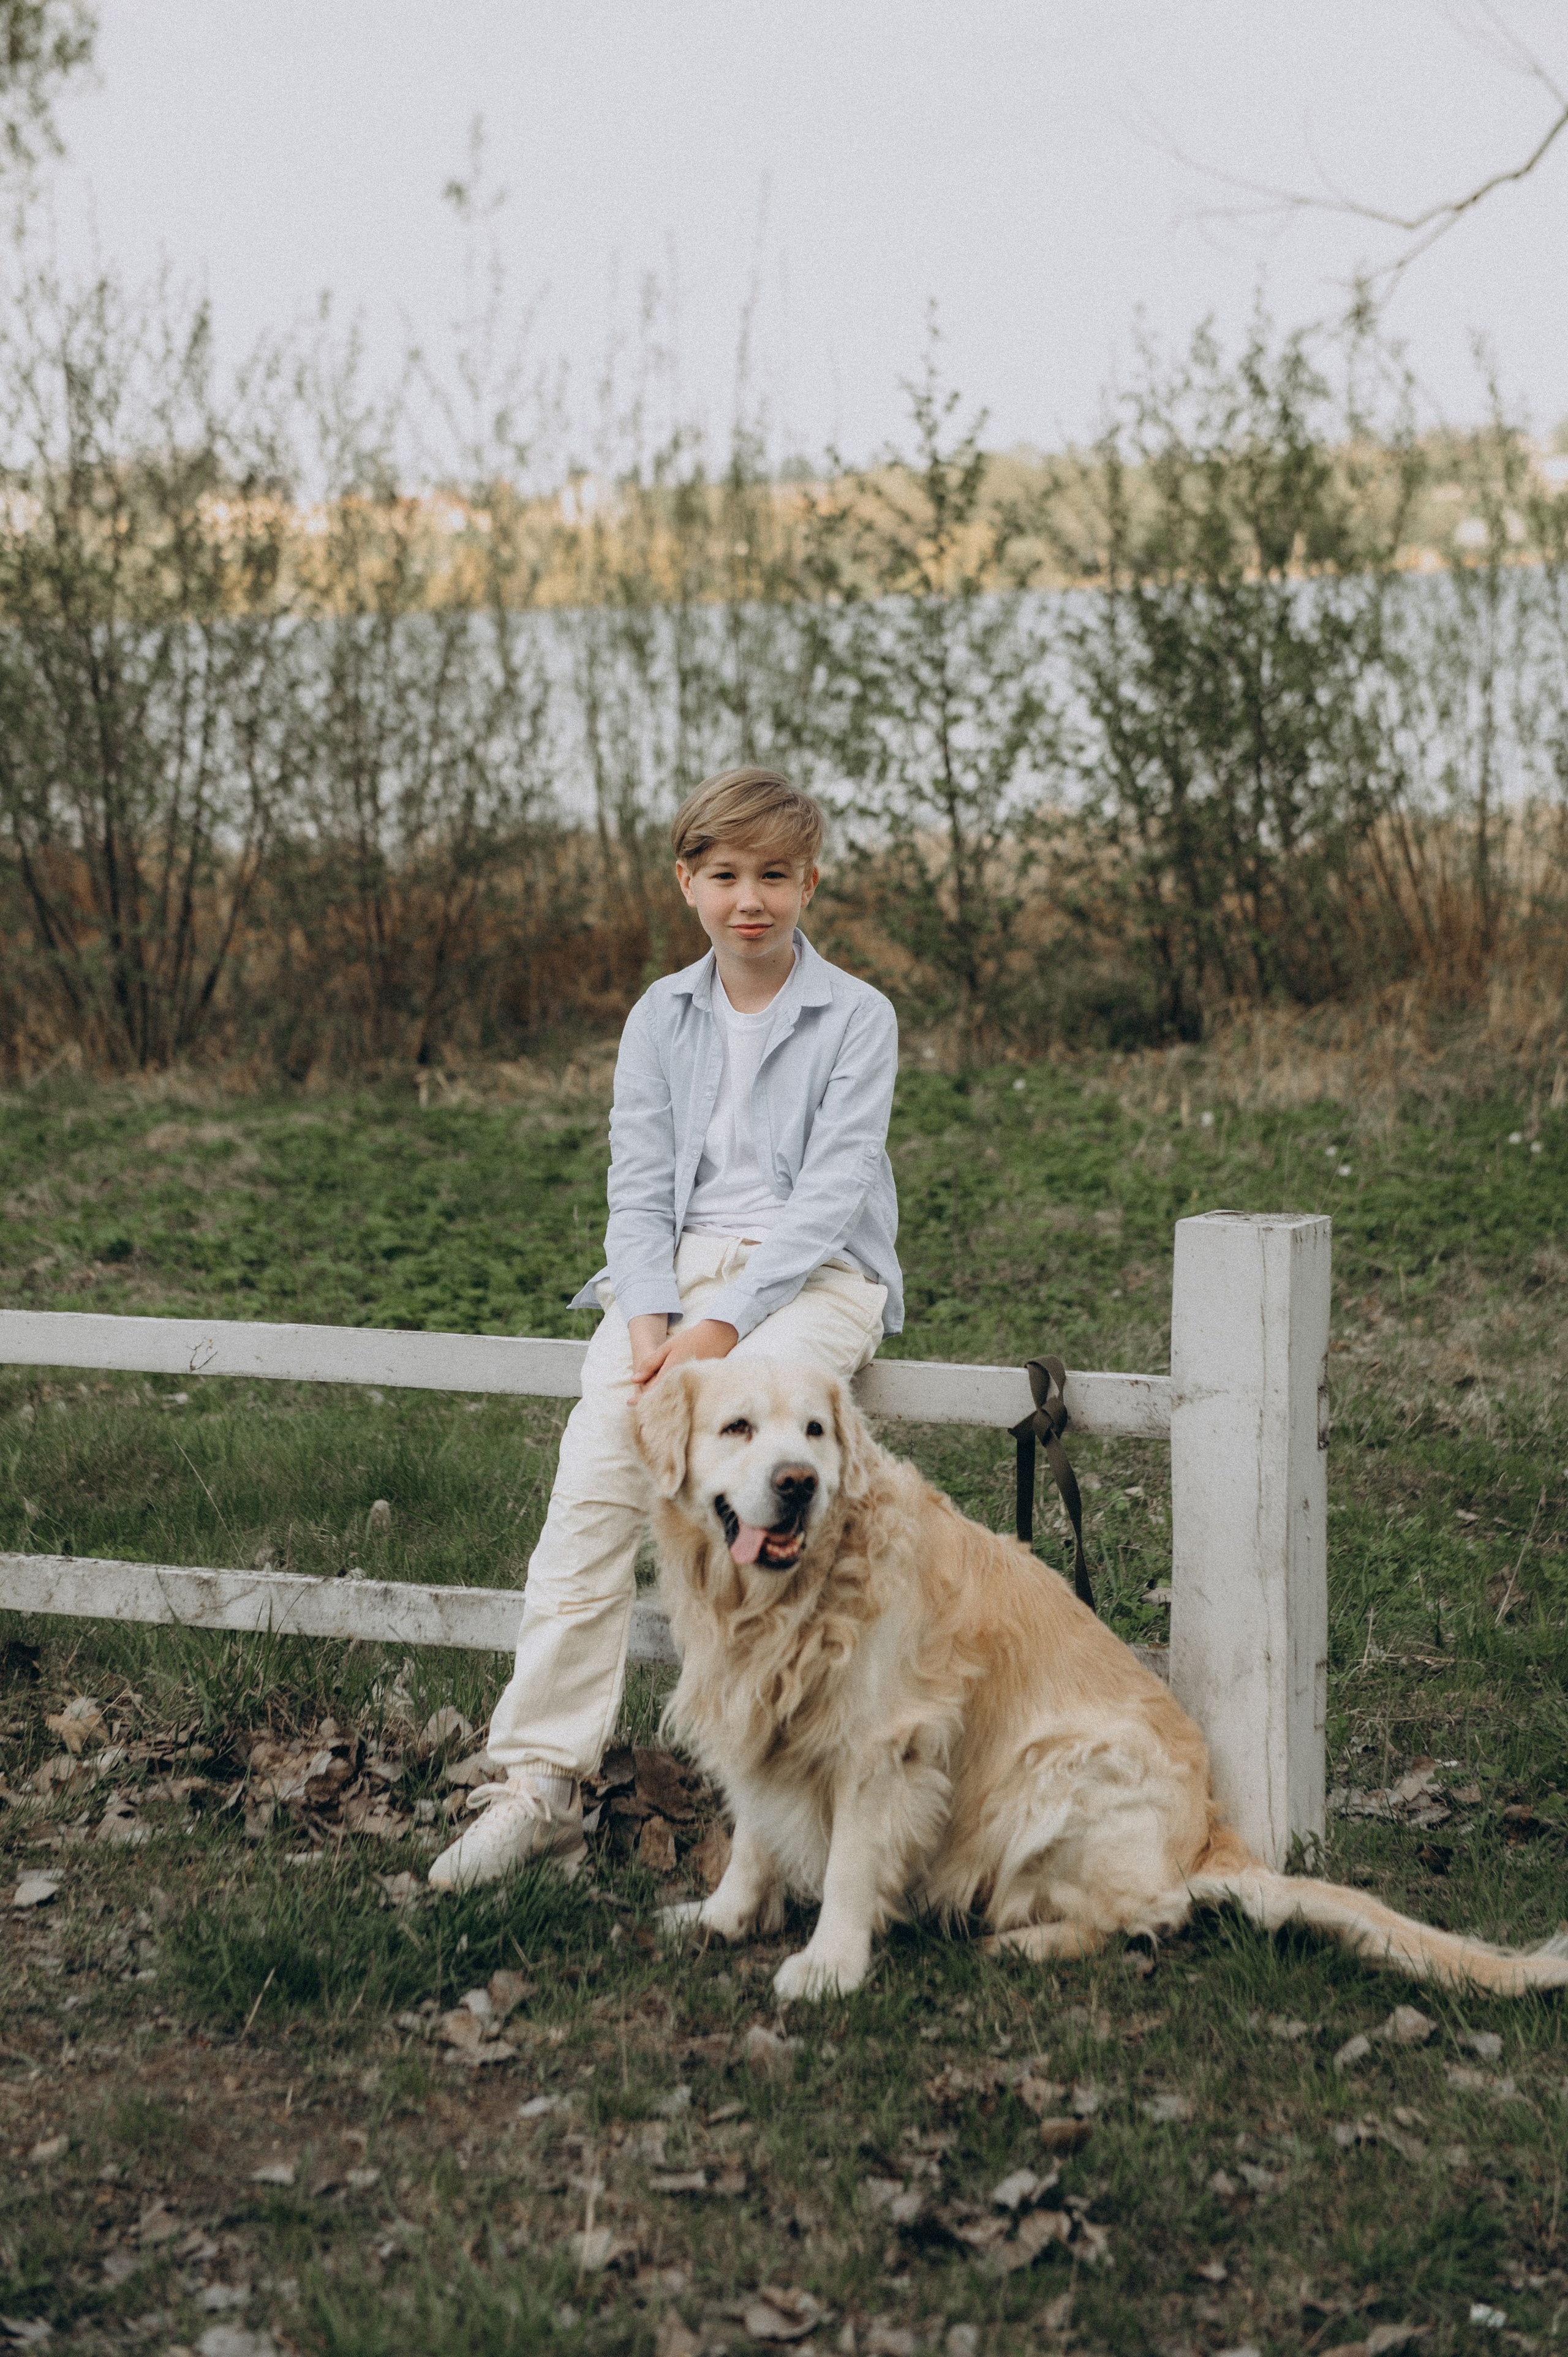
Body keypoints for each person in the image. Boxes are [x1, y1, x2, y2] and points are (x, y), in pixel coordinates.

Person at [428, 766, 903, 1890]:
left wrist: (717, 1337)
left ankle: (804, 1781)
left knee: (765, 1469)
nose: (753, 899)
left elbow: (831, 1193)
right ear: (687, 882)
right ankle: (537, 1782)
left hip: (814, 1276)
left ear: (810, 884)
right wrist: (652, 1323)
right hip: (671, 1284)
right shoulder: (660, 1015)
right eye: (727, 875)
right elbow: (637, 1188)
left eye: (776, 876)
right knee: (596, 1481)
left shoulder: (859, 1017)